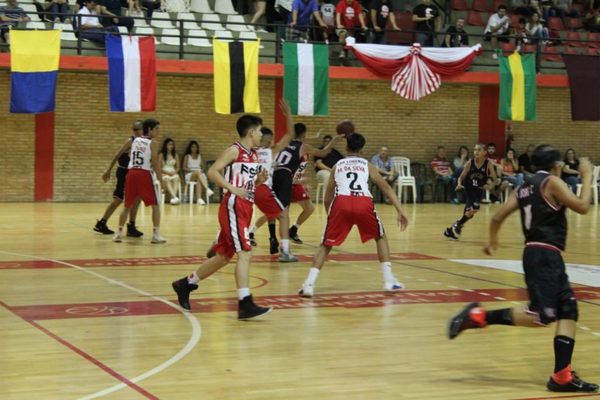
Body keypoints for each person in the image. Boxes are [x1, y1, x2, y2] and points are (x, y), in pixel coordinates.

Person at [448, 145, 598, 394]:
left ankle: (562, 376)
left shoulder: (525, 185)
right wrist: (586, 175)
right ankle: (479, 316)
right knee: (541, 316)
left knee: (568, 309)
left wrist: (492, 241)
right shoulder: (551, 182)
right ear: (556, 165)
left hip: (541, 254)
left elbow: (497, 217)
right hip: (544, 256)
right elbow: (583, 207)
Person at [171, 114, 273, 320]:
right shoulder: (234, 150)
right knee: (245, 252)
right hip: (234, 206)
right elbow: (212, 171)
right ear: (251, 132)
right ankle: (245, 303)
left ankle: (185, 284)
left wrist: (259, 181)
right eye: (260, 131)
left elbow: (246, 185)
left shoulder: (252, 155)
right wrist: (232, 188)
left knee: (224, 257)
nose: (262, 135)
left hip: (246, 206)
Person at [298, 132, 409, 297]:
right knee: (380, 236)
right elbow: (386, 188)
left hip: (341, 202)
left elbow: (328, 197)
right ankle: (389, 281)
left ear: (346, 147)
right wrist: (401, 211)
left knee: (326, 244)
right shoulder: (367, 165)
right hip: (363, 202)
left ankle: (308, 284)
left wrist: (331, 216)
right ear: (362, 149)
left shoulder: (337, 165)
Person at [256, 121, 342, 261]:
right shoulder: (302, 146)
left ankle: (273, 238)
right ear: (304, 135)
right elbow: (324, 152)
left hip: (272, 177)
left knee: (276, 212)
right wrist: (334, 140)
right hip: (285, 177)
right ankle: (284, 251)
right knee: (284, 214)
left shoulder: (281, 145)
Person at [113, 118, 166, 244]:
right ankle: (156, 235)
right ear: (150, 129)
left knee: (127, 205)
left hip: (131, 173)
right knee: (155, 205)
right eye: (157, 129)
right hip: (144, 174)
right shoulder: (153, 143)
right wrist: (161, 179)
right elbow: (154, 162)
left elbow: (131, 154)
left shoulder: (135, 140)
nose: (158, 131)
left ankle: (119, 234)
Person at [94, 120, 144, 237]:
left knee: (136, 198)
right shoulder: (130, 141)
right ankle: (102, 223)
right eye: (137, 130)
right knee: (119, 198)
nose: (139, 132)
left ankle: (131, 226)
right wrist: (108, 170)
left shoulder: (142, 143)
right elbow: (117, 155)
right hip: (123, 172)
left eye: (140, 129)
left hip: (133, 172)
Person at [443, 143, 498, 240]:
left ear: (485, 152)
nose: (476, 152)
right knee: (475, 207)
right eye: (475, 150)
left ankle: (451, 230)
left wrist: (490, 186)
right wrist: (459, 184)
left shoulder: (488, 164)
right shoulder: (470, 163)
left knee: (469, 213)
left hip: (478, 191)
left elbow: (495, 179)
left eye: (479, 150)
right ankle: (458, 224)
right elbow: (461, 177)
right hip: (469, 189)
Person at [182, 140, 213, 204]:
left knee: (199, 177)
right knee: (198, 173)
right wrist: (193, 170)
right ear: (190, 148)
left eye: (195, 147)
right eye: (192, 147)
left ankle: (199, 199)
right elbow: (184, 168)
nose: (194, 148)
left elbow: (203, 167)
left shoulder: (199, 156)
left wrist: (201, 170)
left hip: (199, 174)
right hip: (190, 174)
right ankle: (207, 189)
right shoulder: (187, 156)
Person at [160, 138, 182, 205]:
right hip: (164, 172)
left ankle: (173, 198)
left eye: (172, 145)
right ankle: (174, 197)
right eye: (169, 144)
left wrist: (174, 172)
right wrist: (167, 173)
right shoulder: (161, 155)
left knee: (176, 177)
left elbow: (178, 168)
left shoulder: (175, 155)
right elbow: (159, 168)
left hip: (172, 172)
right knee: (167, 179)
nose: (171, 146)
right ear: (165, 145)